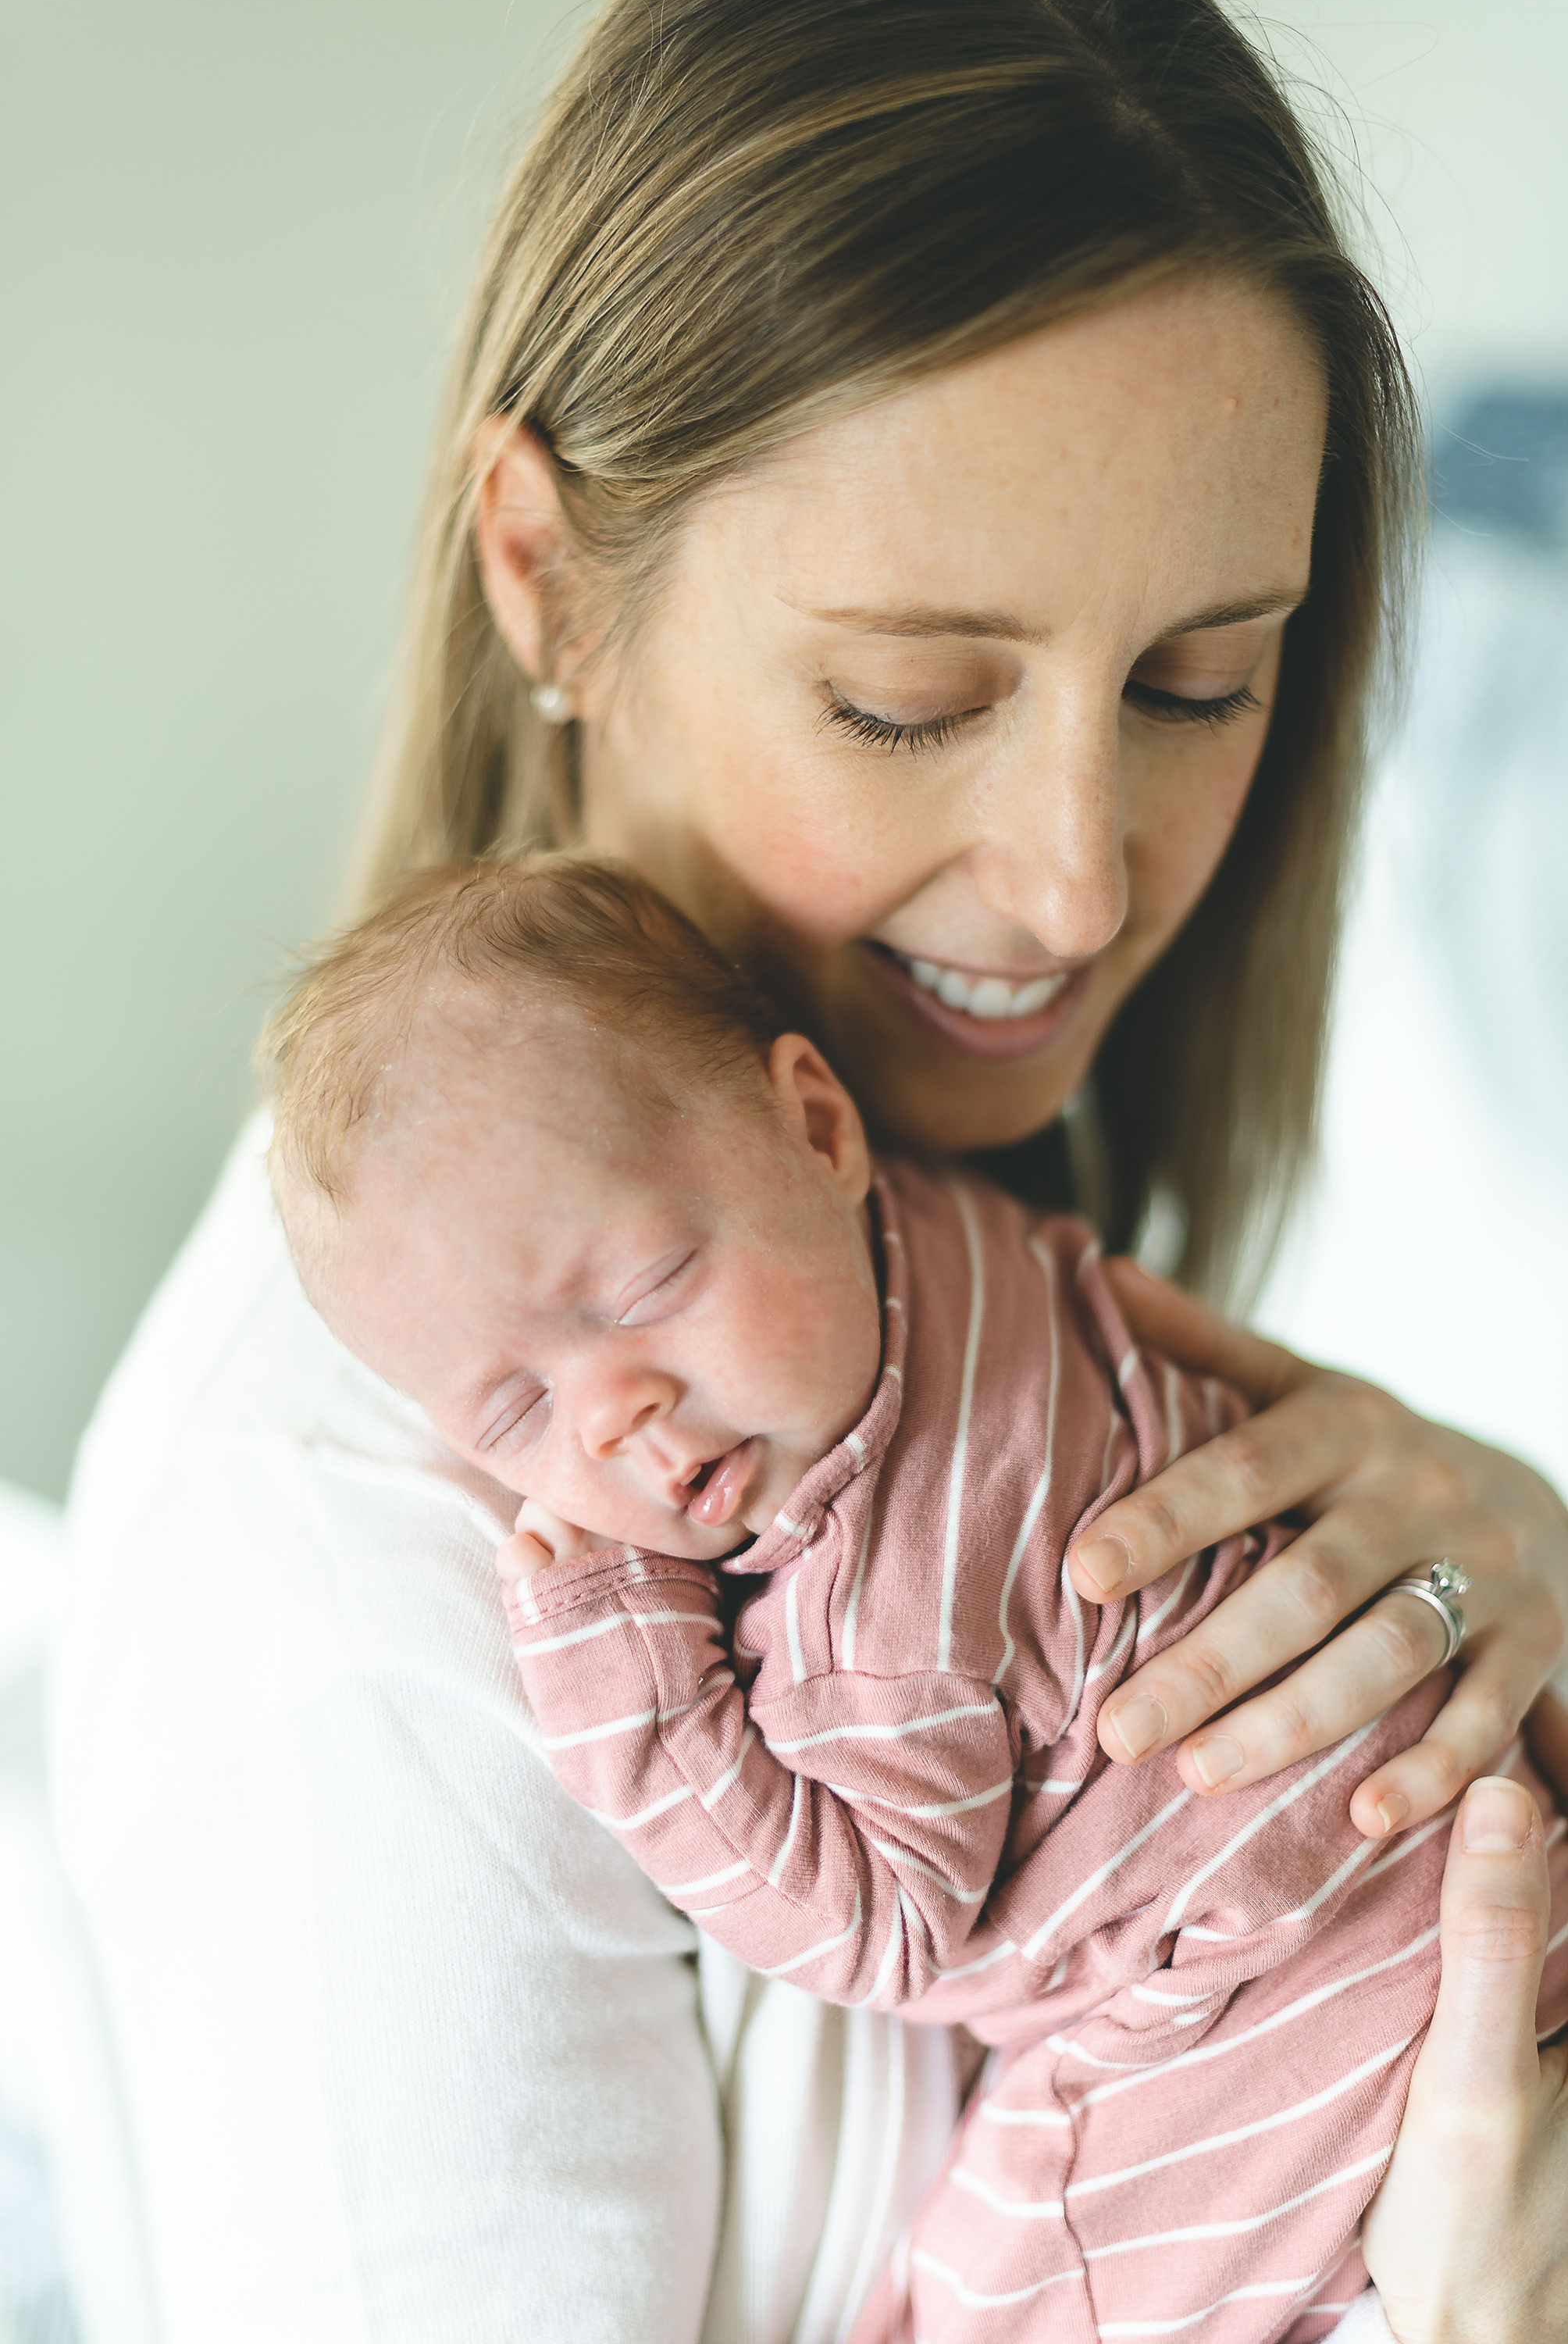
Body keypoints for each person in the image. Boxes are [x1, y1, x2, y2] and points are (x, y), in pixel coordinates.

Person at [48, 0, 1568, 2339]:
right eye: (907, 701)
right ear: (544, 576)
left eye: (1196, 684)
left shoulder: (944, 1282)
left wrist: (1503, 1601)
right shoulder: (366, 1598)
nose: (1077, 885)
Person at [258, 848, 1568, 2342]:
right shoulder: (937, 1231)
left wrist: (647, 1703)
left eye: (640, 1291)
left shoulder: (881, 1627)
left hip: (1289, 1989)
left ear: (815, 1123)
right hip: (1463, 1839)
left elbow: (885, 1930)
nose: (611, 1417)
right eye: (513, 1418)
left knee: (1011, 2284)